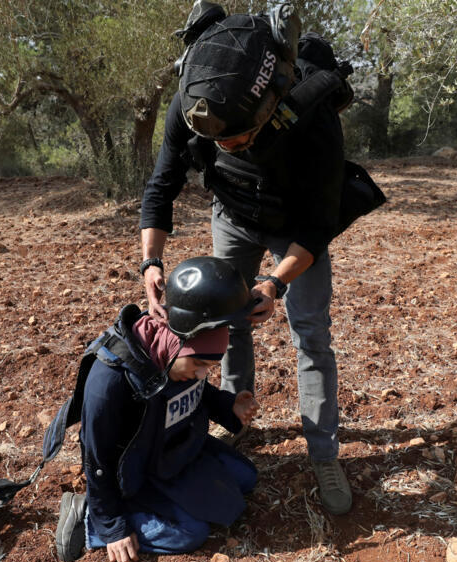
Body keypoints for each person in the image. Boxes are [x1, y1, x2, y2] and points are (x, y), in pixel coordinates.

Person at [139, 3, 353, 516]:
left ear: (267, 107)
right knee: (228, 323)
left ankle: (323, 454)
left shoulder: (313, 117)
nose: (225, 145)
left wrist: (274, 283)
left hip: (296, 226)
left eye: (236, 138)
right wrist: (150, 262)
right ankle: (237, 419)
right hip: (233, 213)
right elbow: (162, 186)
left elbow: (319, 225)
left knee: (311, 335)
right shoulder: (192, 103)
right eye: (218, 140)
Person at [55, 256, 260, 562]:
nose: (202, 374)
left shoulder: (175, 352)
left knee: (245, 478)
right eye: (199, 364)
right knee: (190, 533)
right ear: (176, 340)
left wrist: (227, 405)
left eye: (209, 366)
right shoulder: (110, 381)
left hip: (173, 449)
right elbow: (97, 457)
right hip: (137, 469)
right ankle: (87, 519)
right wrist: (112, 525)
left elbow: (197, 392)